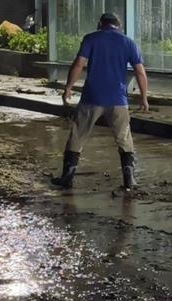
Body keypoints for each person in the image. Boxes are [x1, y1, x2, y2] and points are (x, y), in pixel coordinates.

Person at [51, 12, 149, 190]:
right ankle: (129, 179)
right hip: (118, 99)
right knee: (124, 138)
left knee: (78, 134)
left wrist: (68, 87)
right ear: (117, 25)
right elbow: (140, 72)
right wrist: (143, 97)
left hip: (92, 97)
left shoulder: (91, 39)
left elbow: (79, 64)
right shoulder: (128, 42)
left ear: (100, 24)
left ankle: (67, 177)